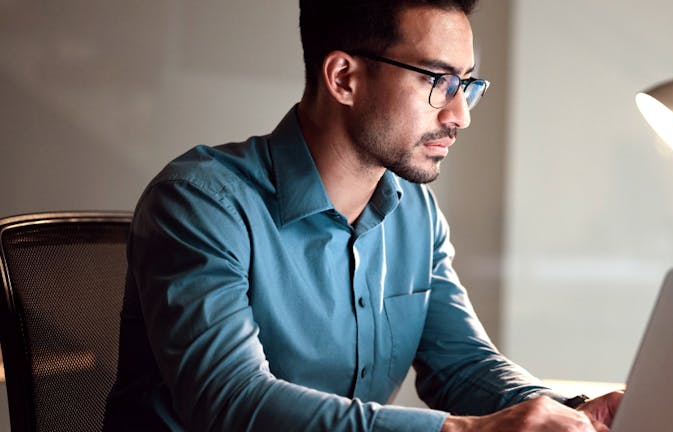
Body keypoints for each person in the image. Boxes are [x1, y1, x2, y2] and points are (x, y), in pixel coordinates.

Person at [103, 0, 623, 430]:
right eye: (438, 82)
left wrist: (566, 413)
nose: (459, 114)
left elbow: (463, 365)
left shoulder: (415, 212)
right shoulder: (200, 203)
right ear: (344, 78)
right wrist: (459, 430)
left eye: (466, 84)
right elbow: (232, 402)